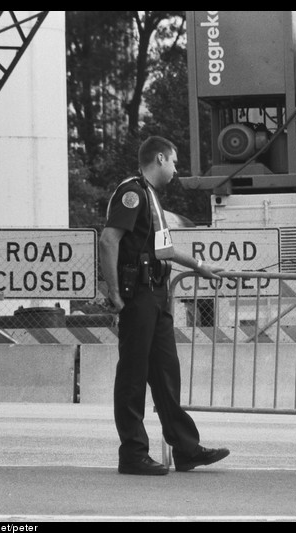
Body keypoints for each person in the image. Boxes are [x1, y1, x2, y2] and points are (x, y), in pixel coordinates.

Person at [99, 135, 230, 476]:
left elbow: (164, 250)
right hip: (138, 295)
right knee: (133, 376)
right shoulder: (132, 192)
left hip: (156, 294)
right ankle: (133, 454)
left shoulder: (150, 197)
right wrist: (114, 293)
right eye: (173, 162)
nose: (175, 169)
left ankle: (186, 449)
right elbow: (108, 239)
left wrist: (199, 266)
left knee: (166, 374)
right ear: (159, 158)